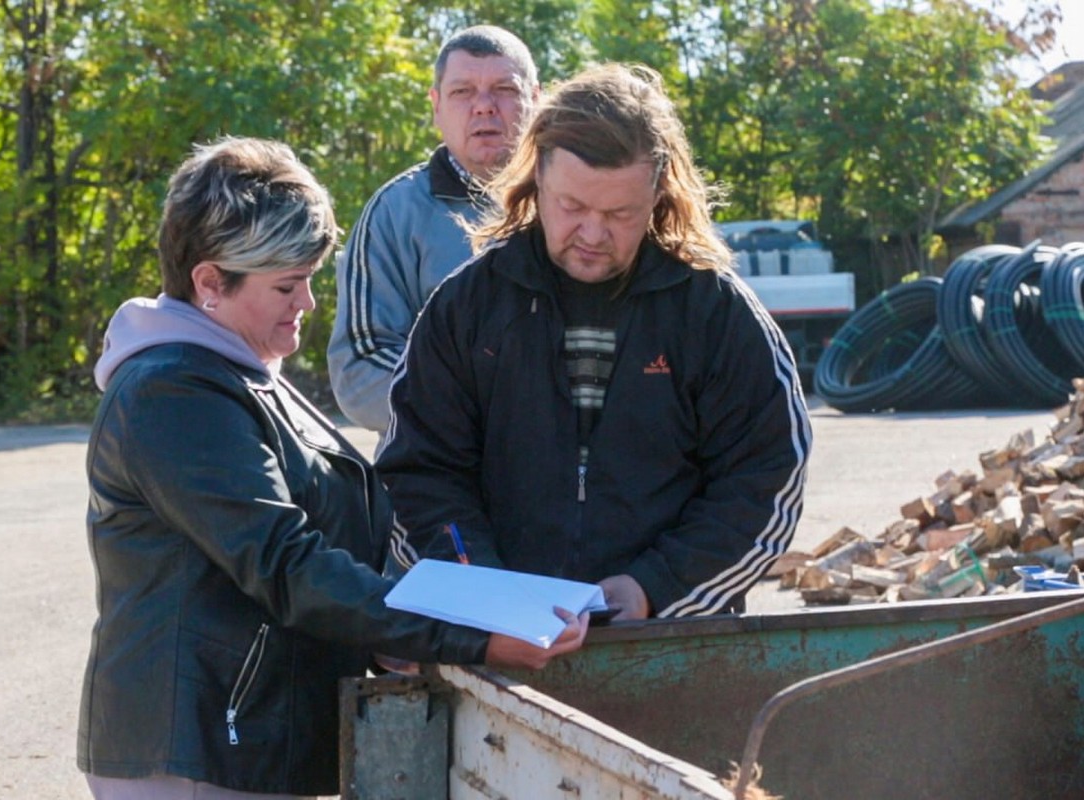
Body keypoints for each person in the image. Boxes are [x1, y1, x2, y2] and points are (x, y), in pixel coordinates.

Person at [77, 136, 586, 800]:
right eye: (287, 285)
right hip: (196, 751)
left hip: (241, 737)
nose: (309, 304)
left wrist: (389, 637)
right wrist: (468, 636)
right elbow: (286, 563)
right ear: (209, 283)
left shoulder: (236, 372)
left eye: (311, 279)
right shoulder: (175, 394)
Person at [376, 64, 812, 621]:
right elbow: (420, 473)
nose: (591, 234)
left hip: (674, 650)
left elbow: (766, 478)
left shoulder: (717, 314)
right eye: (572, 207)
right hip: (497, 642)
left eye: (619, 214)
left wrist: (656, 587)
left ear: (658, 194)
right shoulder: (466, 307)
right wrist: (484, 593)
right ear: (537, 181)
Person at [327, 25, 539, 435]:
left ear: (536, 99)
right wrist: (476, 415)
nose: (484, 106)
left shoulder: (580, 203)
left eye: (504, 89)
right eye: (463, 92)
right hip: (444, 481)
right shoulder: (393, 213)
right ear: (436, 106)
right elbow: (361, 363)